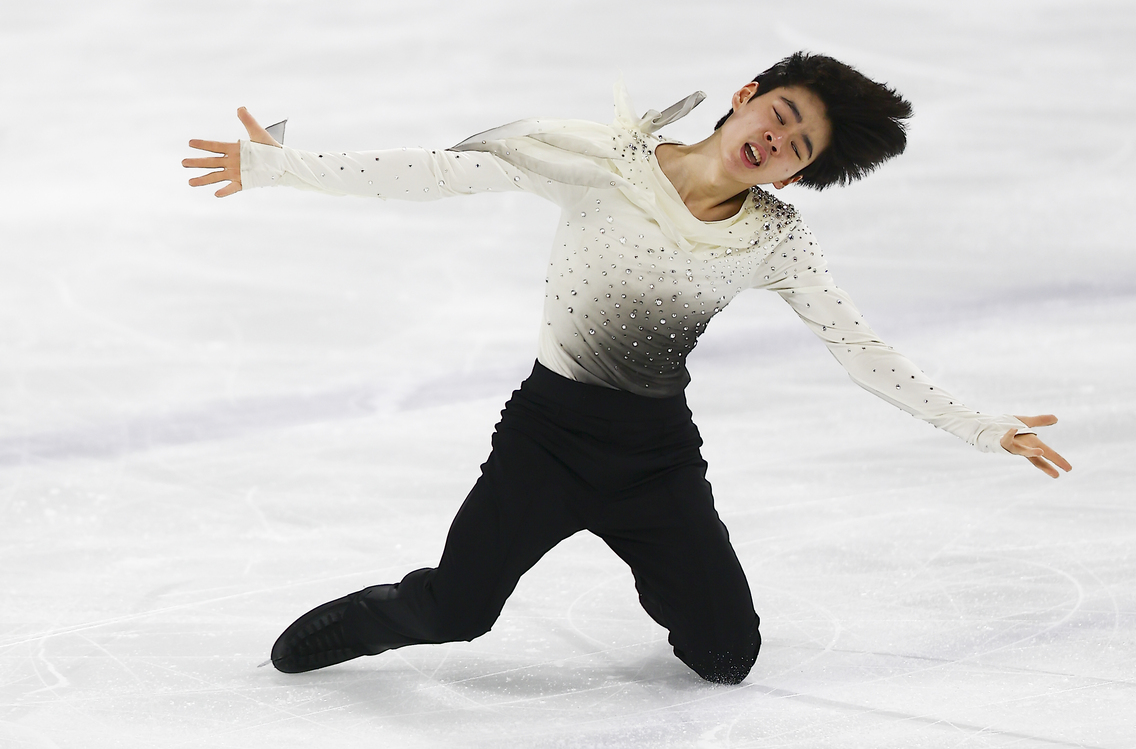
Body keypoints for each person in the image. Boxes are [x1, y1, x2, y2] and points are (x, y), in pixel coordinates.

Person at [183, 52, 1070, 685]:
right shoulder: (603, 164)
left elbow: (859, 347)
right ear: (746, 97)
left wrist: (982, 427)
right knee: (457, 612)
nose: (776, 140)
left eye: (797, 147)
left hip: (654, 460)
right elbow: (439, 173)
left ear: (796, 178)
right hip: (545, 442)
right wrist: (284, 167)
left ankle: (664, 574)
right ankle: (368, 617)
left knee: (727, 657)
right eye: (780, 115)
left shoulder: (774, 239)